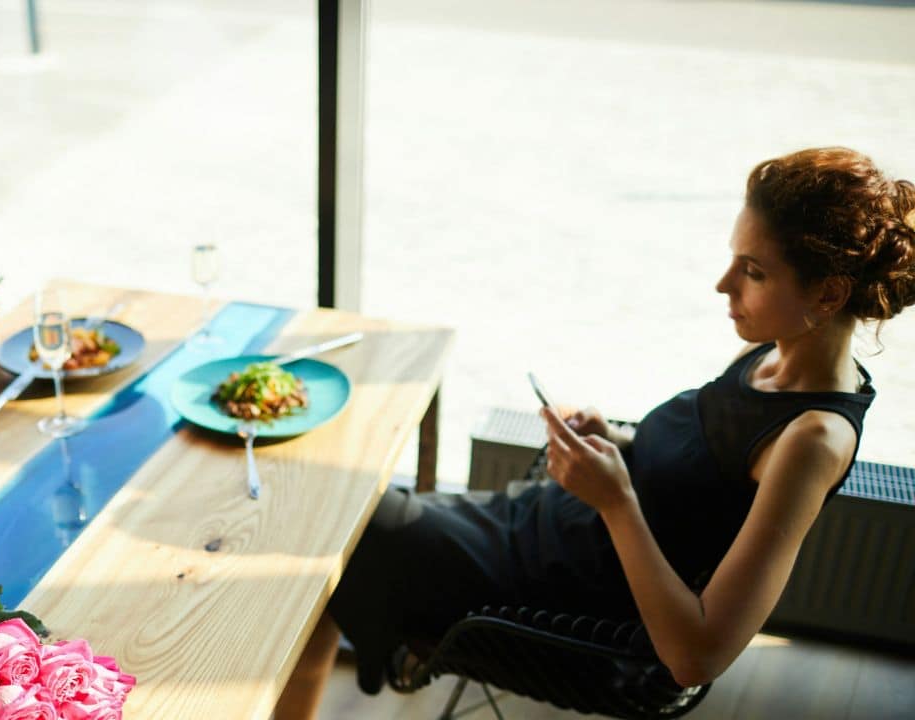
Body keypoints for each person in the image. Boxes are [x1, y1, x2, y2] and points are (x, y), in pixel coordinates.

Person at [274, 147, 915, 718]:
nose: (724, 284)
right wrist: (622, 443)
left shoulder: (812, 439)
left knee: (343, 531)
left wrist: (615, 500)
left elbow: (696, 655)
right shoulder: (772, 356)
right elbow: (704, 485)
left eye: (753, 270)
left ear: (829, 293)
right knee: (345, 522)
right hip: (542, 527)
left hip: (556, 597)